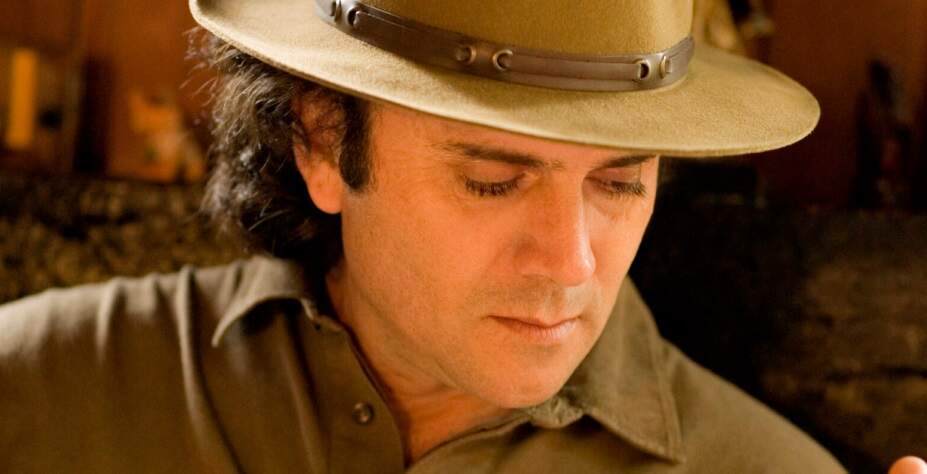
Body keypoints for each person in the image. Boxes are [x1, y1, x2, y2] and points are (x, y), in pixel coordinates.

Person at [0, 0, 923, 472]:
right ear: (321, 142)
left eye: (618, 181)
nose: (570, 261)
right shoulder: (37, 388)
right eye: (492, 179)